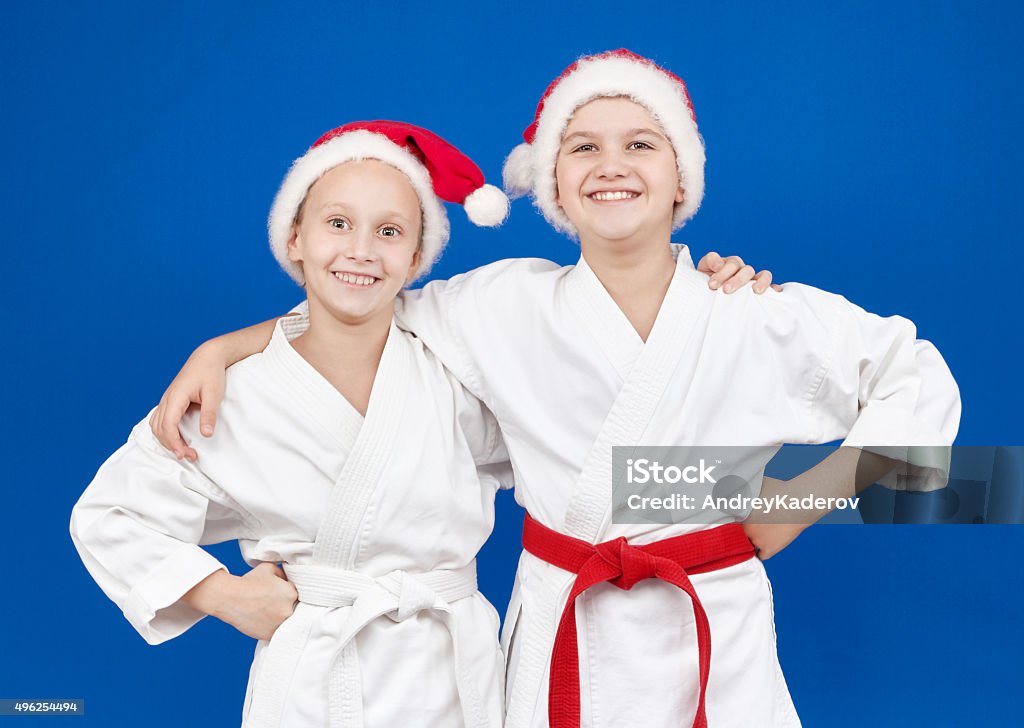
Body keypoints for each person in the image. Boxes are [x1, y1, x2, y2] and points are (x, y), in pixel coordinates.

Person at [149, 50, 960, 728]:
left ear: (683, 180)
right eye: (583, 149)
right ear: (551, 188)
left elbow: (918, 380)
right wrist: (229, 344)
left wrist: (801, 501)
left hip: (713, 623)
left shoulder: (752, 314)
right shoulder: (503, 303)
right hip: (562, 623)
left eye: (642, 145)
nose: (612, 166)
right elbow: (364, 304)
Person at [70, 120, 518, 728]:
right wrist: (220, 594)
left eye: (389, 231)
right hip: (318, 686)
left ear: (415, 259)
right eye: (338, 223)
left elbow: (579, 452)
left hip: (457, 679)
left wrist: (695, 299)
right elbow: (110, 516)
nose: (361, 249)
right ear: (295, 239)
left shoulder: (459, 368)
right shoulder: (234, 393)